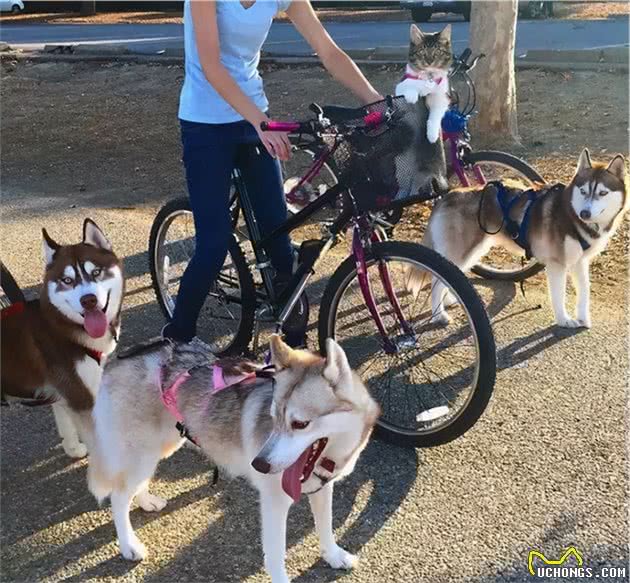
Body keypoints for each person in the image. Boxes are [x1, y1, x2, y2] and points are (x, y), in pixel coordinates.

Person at [162, 0, 382, 347]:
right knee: (213, 245)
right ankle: (176, 339)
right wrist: (261, 123)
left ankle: (295, 355)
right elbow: (211, 65)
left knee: (280, 242)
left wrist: (376, 101)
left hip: (253, 116)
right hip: (205, 124)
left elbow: (327, 50)